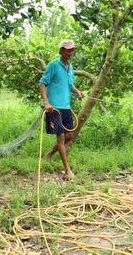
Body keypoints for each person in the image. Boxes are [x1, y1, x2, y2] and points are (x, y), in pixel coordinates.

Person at [39, 39, 85, 180]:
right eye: (68, 49)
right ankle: (67, 170)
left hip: (66, 107)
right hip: (54, 108)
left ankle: (48, 155)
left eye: (72, 49)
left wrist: (77, 91)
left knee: (69, 136)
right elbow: (42, 83)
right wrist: (46, 102)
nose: (70, 52)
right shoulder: (53, 65)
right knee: (60, 137)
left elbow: (69, 85)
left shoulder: (70, 67)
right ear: (61, 50)